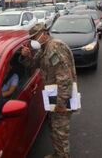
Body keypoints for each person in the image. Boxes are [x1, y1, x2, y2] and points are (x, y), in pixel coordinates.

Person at [21, 24, 77, 158]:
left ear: (43, 34)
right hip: (52, 94)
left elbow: (64, 78)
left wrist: (60, 104)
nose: (33, 41)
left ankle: (63, 155)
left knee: (60, 132)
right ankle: (58, 154)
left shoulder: (55, 47)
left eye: (34, 37)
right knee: (53, 128)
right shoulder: (44, 48)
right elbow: (33, 65)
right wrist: (27, 56)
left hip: (61, 97)